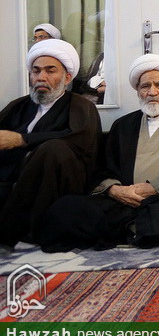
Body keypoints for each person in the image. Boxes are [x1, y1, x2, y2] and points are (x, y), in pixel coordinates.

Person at [36, 54, 159, 251]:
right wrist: (115, 190)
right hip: (122, 200)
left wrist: (155, 188)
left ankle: (120, 229)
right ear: (138, 91)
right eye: (145, 86)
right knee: (64, 208)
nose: (152, 92)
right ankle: (131, 229)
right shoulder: (123, 125)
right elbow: (103, 167)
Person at [0, 39, 100, 248]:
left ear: (67, 77)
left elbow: (78, 139)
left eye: (50, 70)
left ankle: (9, 230)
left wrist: (22, 140)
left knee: (54, 148)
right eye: (36, 71)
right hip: (11, 174)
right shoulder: (18, 106)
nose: (41, 77)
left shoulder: (81, 106)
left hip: (60, 177)